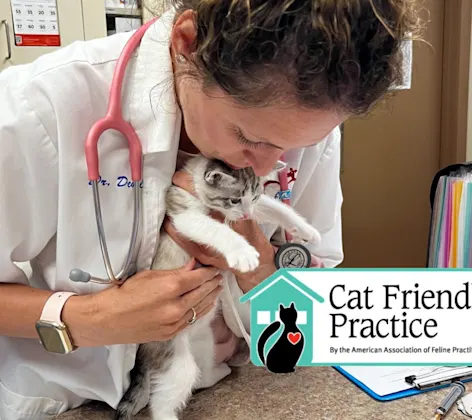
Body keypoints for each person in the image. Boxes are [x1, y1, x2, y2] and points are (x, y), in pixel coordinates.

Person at [0, 0, 422, 419]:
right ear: (188, 43)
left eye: (294, 146)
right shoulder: (35, 108)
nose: (266, 166)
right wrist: (89, 317)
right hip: (63, 399)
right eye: (246, 136)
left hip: (219, 385)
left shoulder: (305, 124)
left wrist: (255, 266)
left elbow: (312, 306)